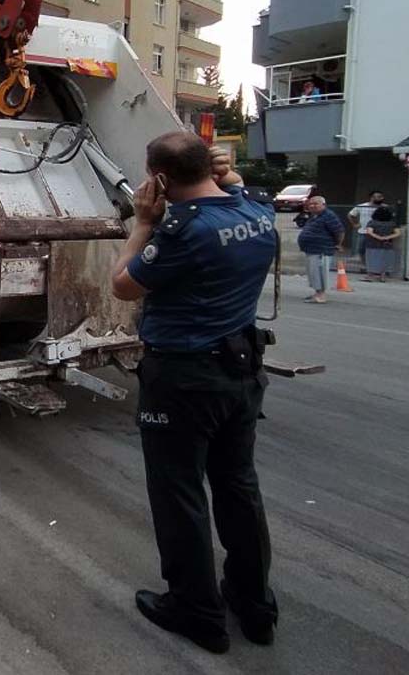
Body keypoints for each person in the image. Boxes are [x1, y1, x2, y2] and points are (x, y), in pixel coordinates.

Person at [111, 132, 278, 655]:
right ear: (213, 167)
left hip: (183, 380)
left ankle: (196, 611)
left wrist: (142, 223)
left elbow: (122, 284)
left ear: (158, 179)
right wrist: (227, 180)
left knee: (179, 494)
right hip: (241, 372)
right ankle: (254, 606)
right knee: (238, 488)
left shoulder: (182, 233)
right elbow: (236, 191)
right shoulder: (259, 215)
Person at [297, 195, 344, 303]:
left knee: (319, 272)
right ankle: (317, 292)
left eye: (316, 204)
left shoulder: (328, 215)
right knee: (313, 273)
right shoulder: (314, 216)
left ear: (323, 204)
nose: (312, 206)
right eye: (311, 204)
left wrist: (338, 244)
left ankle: (321, 295)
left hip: (321, 249)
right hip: (311, 249)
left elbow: (339, 231)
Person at [363, 205, 400, 281]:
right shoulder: (392, 223)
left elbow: (369, 232)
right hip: (387, 244)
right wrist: (386, 237)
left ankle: (370, 275)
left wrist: (378, 237)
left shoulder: (372, 222)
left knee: (371, 259)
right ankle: (382, 276)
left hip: (372, 244)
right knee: (385, 259)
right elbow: (398, 233)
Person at [348, 190, 386, 261]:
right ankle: (363, 263)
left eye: (380, 197)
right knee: (361, 249)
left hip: (378, 232)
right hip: (364, 231)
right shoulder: (362, 206)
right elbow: (350, 214)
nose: (378, 198)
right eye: (376, 197)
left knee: (376, 250)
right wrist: (354, 224)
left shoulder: (385, 207)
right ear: (371, 197)